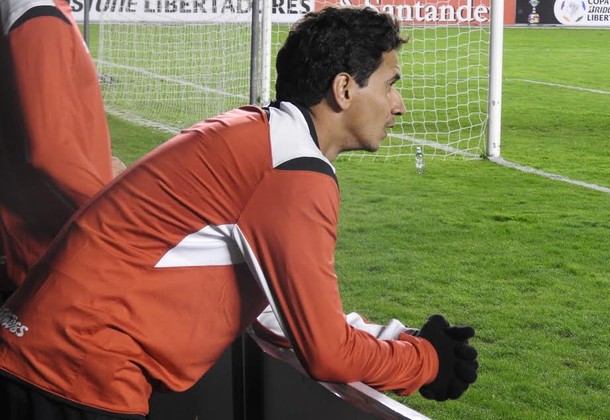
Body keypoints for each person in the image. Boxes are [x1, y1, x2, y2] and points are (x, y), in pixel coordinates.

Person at [0, 6, 478, 419]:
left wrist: (397, 339)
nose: (400, 106)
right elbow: (326, 352)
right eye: (391, 85)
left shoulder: (257, 134)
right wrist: (425, 362)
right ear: (344, 89)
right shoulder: (292, 170)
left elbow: (273, 314)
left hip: (41, 361)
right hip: (72, 377)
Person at [0, 0, 124, 302]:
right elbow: (52, 152)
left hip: (41, 253)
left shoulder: (37, 15)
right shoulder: (37, 18)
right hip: (50, 259)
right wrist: (123, 217)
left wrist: (102, 164)